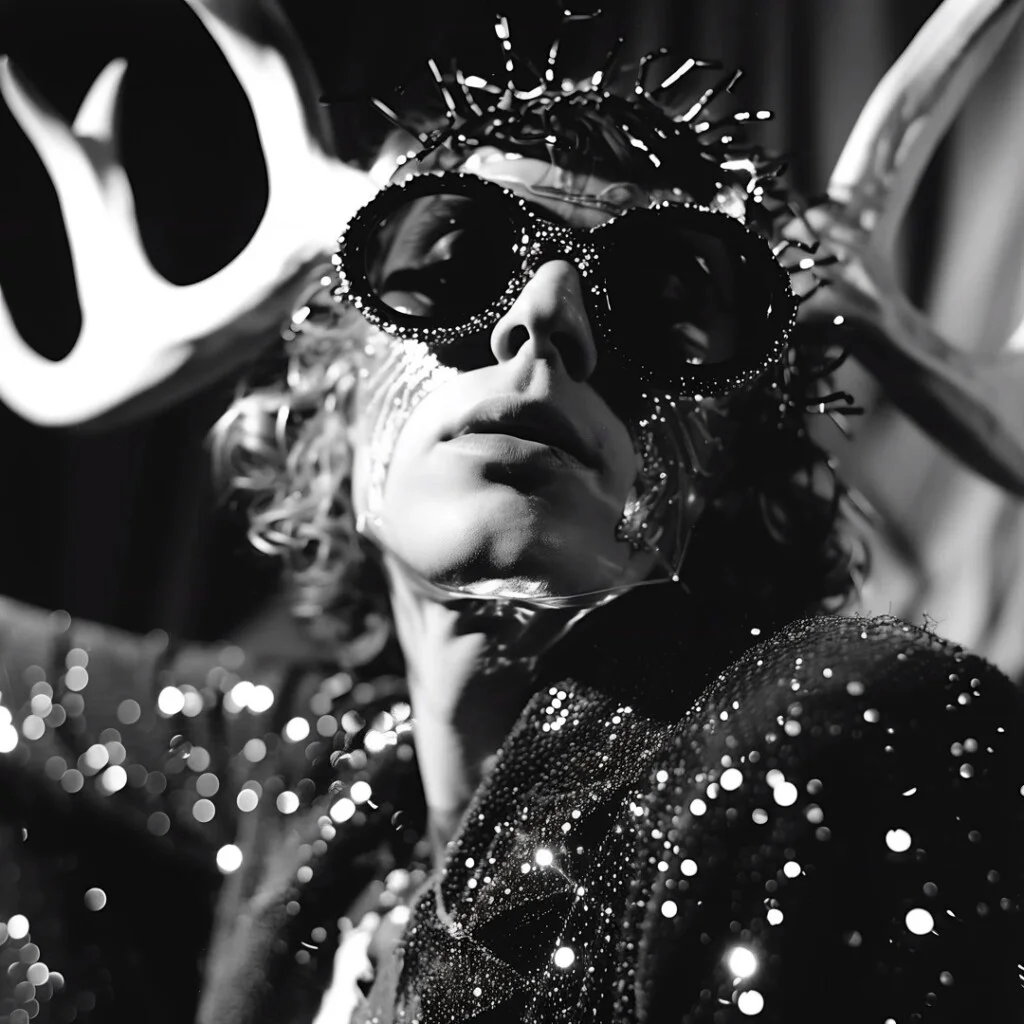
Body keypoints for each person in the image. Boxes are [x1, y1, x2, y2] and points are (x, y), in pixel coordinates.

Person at [0, 9, 1022, 1024]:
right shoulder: (327, 780)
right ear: (335, 406)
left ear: (721, 470)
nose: (542, 319)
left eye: (661, 308)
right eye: (446, 270)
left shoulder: (835, 737)